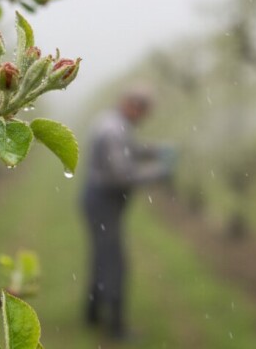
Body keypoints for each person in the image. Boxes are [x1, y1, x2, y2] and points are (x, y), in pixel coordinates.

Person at [81, 86, 174, 340]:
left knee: (101, 257)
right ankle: (116, 327)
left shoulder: (112, 122)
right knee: (114, 263)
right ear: (133, 105)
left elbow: (129, 150)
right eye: (143, 112)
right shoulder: (114, 130)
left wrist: (152, 151)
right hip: (104, 202)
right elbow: (121, 175)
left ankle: (91, 314)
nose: (142, 118)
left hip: (98, 200)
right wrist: (160, 171)